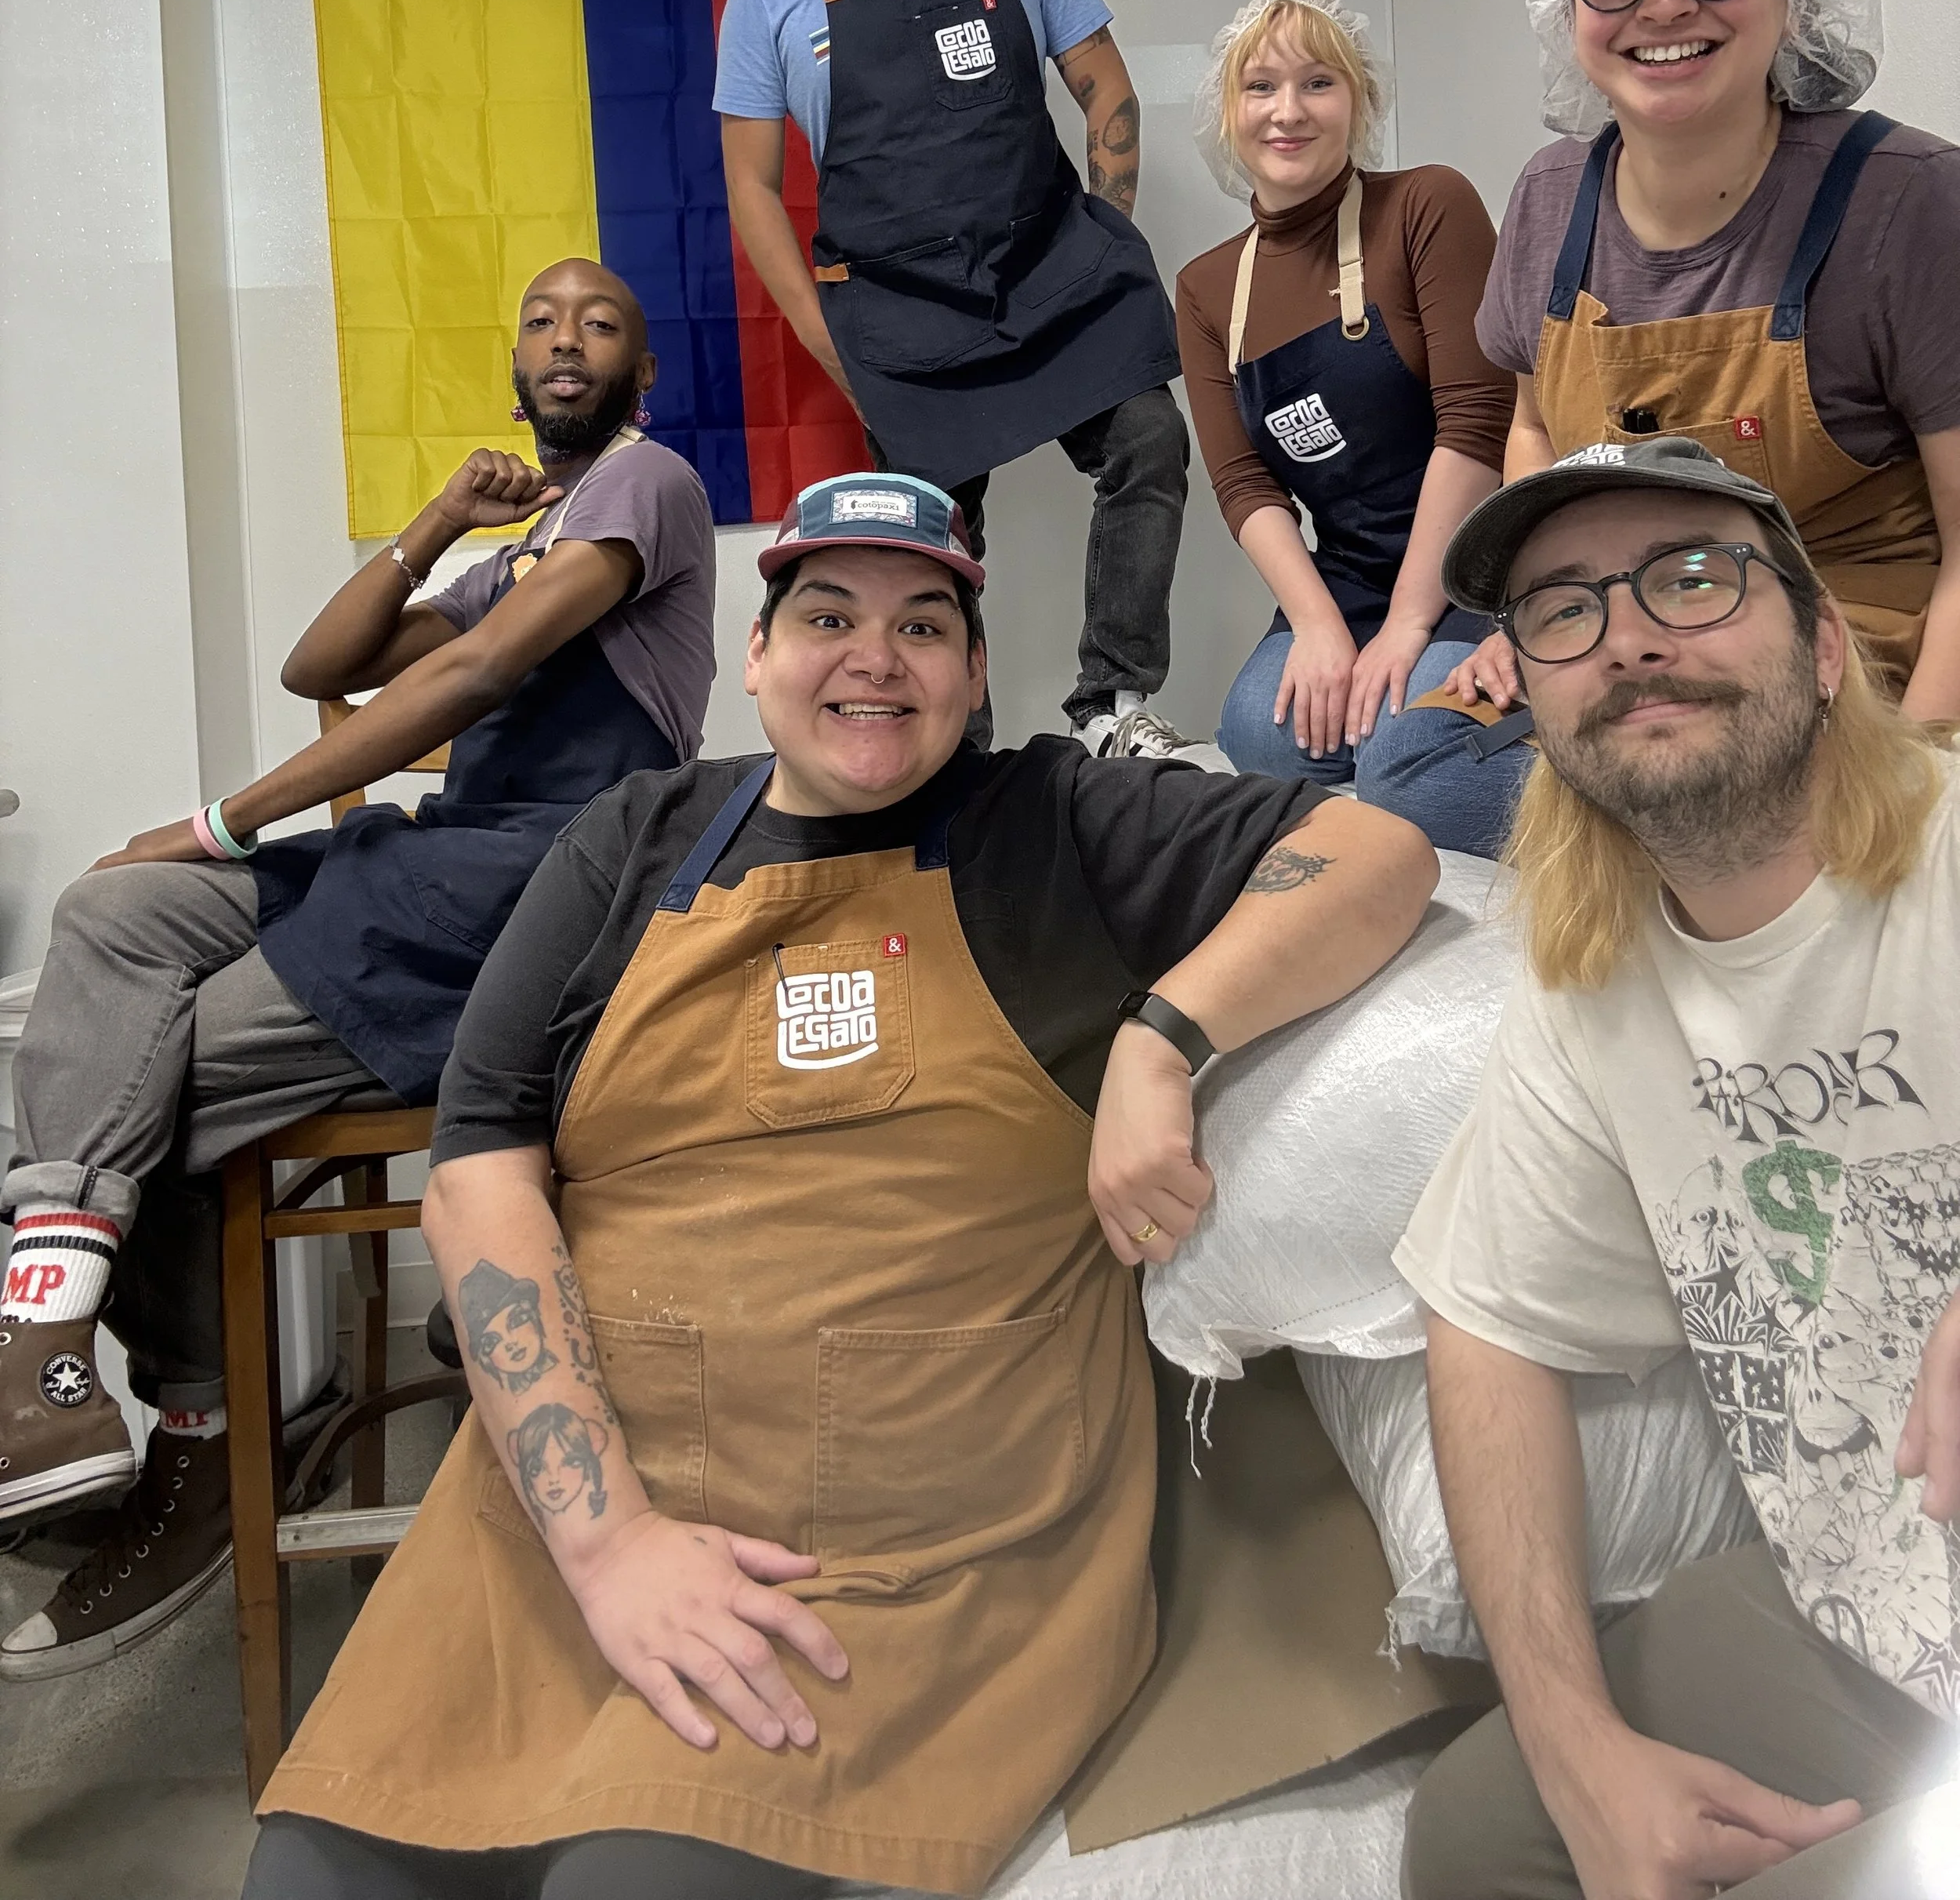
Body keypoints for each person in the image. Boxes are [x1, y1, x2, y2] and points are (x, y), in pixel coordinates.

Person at [241, 469, 1439, 1900]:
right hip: (568, 1501)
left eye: (926, 624)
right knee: (326, 1873)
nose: (876, 655)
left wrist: (1164, 1036)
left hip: (900, 1542)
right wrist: (610, 1540)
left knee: (641, 1878)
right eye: (828, 614)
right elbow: (480, 1162)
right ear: (756, 658)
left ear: (977, 673)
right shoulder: (634, 837)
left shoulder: (1055, 820)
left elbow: (1381, 847)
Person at [0, 260, 714, 1677]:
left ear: (640, 372)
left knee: (153, 1054)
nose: (567, 337)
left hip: (542, 883)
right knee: (113, 919)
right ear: (515, 357)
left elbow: (470, 677)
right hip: (430, 856)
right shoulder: (521, 537)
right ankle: (49, 1353)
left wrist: (222, 818)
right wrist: (444, 514)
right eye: (542, 319)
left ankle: (198, 1438)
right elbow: (318, 659)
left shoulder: (650, 488)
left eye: (602, 323)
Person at [1394, 434, 1960, 1900]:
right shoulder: (1592, 981)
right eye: (1564, 607)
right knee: (1477, 1836)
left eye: (1694, 577)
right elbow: (1488, 1322)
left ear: (1825, 645)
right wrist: (1580, 1750)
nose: (1631, 634)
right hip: (1864, 1605)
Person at [1437, 0, 1960, 795]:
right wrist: (1538, 614)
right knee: (1408, 759)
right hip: (1614, 631)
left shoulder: (1909, 198)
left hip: (1837, 653)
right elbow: (1533, 427)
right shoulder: (1550, 197)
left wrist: (1921, 781)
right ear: (1572, 7)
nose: (1664, 3)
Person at [716, 0, 1192, 755]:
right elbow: (751, 188)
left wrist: (1103, 252)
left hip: (1052, 270)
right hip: (899, 311)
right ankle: (952, 752)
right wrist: (832, 346)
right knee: (925, 539)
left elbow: (1105, 88)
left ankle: (1113, 704)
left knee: (1151, 438)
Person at [1174, 0, 1516, 852]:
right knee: (1258, 735)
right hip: (1351, 580)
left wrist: (1408, 626)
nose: (1287, 111)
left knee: (1409, 758)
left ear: (1358, 101)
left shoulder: (1426, 206)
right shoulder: (1209, 289)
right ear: (1227, 111)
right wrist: (1323, 628)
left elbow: (1477, 421)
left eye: (1317, 83)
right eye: (1259, 87)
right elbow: (1242, 482)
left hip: (1484, 571)